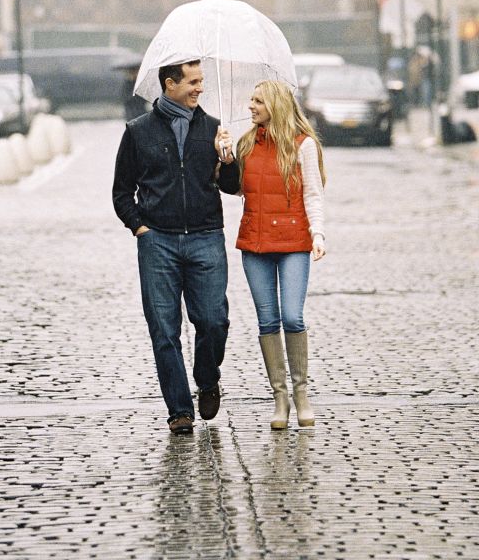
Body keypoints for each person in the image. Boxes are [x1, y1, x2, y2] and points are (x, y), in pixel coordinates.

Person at [112, 60, 238, 435]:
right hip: (158, 242)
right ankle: (180, 409)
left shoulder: (214, 128)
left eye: (201, 81)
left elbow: (232, 186)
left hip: (206, 237)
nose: (200, 88)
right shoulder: (138, 132)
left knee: (214, 320)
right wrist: (140, 228)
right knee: (164, 329)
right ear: (170, 84)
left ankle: (207, 376)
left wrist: (228, 159)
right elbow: (122, 191)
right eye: (194, 81)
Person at [235, 80, 326, 429]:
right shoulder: (246, 143)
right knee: (267, 321)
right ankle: (280, 399)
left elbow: (314, 194)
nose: (251, 106)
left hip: (293, 243)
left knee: (293, 316)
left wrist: (318, 233)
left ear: (275, 104)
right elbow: (233, 188)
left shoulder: (302, 146)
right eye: (251, 100)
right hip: (255, 245)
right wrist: (225, 160)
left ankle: (301, 392)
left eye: (258, 101)